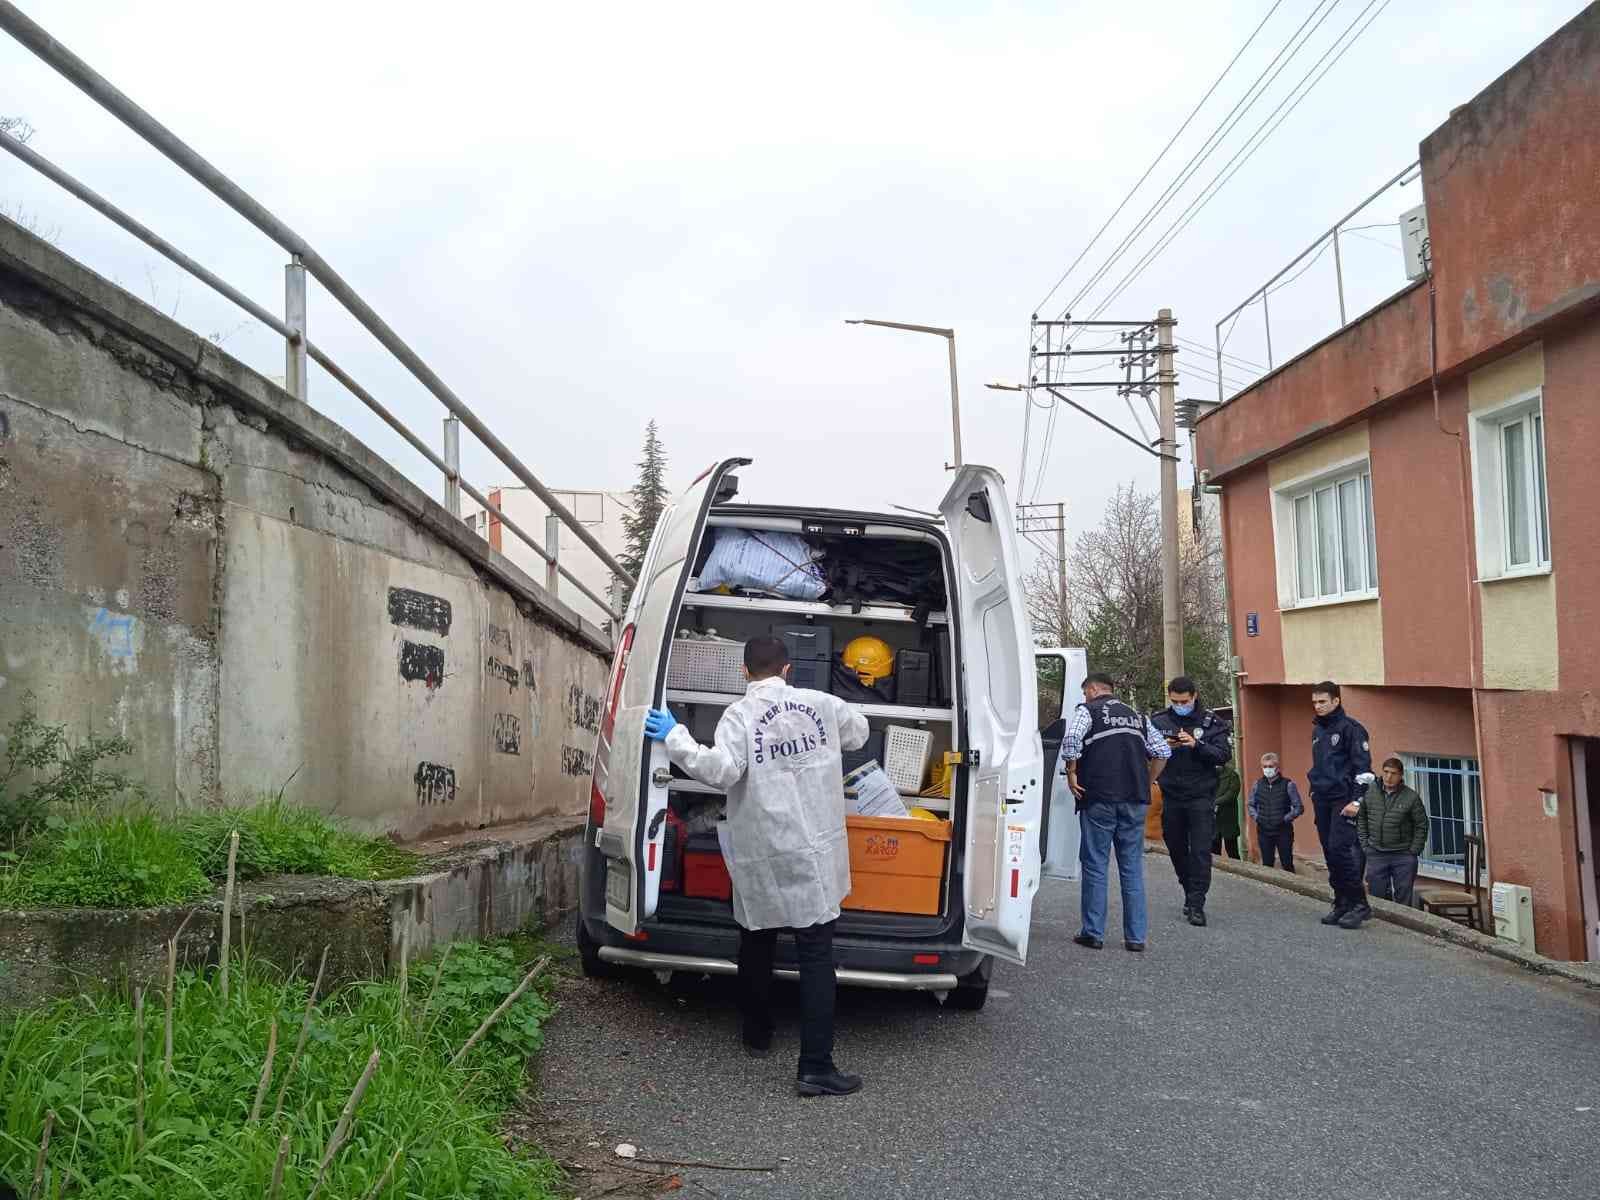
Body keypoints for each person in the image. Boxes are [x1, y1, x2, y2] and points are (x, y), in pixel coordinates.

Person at [643, 635, 870, 1098]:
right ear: (788, 670)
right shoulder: (821, 704)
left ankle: (757, 1032)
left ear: (745, 673)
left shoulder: (739, 716)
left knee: (757, 937)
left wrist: (674, 735)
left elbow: (722, 771)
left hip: (763, 848)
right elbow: (859, 732)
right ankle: (815, 1066)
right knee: (816, 953)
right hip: (815, 849)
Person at [1058, 672, 1172, 952]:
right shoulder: (1138, 716)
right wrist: (1146, 781)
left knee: (1096, 864)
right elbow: (1163, 752)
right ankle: (1135, 938)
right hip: (1134, 799)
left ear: (1094, 690)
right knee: (1131, 867)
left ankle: (1093, 933)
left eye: (1085, 693)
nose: (1084, 698)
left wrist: (1072, 772)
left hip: (1099, 798)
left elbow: (1071, 738)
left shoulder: (1088, 711)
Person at [1150, 677, 1233, 927]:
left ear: (1194, 696)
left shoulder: (1211, 722)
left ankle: (1197, 903)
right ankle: (1188, 889)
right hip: (1172, 795)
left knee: (1199, 852)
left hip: (1200, 796)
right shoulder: (1160, 720)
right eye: (1174, 701)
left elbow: (1223, 755)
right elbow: (1144, 750)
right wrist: (1160, 748)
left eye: (1184, 701)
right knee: (1175, 848)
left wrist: (1197, 745)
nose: (1179, 705)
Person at [1309, 681, 1375, 930]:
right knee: (1329, 852)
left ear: (1336, 701)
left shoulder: (1352, 729)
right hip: (1322, 798)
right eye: (1315, 702)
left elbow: (1364, 770)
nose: (1318, 706)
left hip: (1344, 799)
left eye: (1322, 701)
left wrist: (1357, 801)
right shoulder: (1318, 731)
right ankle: (1341, 902)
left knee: (1340, 850)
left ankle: (1360, 904)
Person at [1358, 758, 1429, 906]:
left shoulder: (1411, 797)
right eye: (1386, 772)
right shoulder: (1371, 792)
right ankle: (1381, 927)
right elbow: (1362, 818)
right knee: (1376, 896)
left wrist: (1413, 851)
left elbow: (1421, 825)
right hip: (1376, 853)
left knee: (1403, 898)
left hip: (1402, 855)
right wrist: (1365, 845)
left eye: (1394, 773)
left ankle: (1403, 928)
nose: (1389, 777)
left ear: (1401, 775)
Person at [1248, 752, 1303, 872]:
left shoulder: (1288, 785)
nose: (1267, 769)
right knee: (1267, 865)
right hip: (1263, 831)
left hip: (1283, 831)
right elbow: (1251, 804)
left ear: (1277, 768)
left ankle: (1291, 889)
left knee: (1287, 863)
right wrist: (1257, 818)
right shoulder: (1257, 785)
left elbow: (1299, 807)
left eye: (1270, 766)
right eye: (1265, 766)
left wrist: (1285, 819)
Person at [1211, 758, 1243, 859]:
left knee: (1232, 851)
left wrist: (1215, 802)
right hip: (1213, 820)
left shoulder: (1232, 775)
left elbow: (1231, 794)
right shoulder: (1209, 774)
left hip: (1228, 819)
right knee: (1214, 851)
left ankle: (1238, 871)